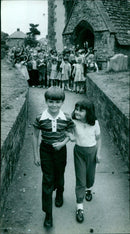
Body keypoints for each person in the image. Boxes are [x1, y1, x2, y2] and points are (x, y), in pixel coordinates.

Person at [33, 87, 74, 228]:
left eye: (57, 102)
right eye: (51, 102)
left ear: (62, 102)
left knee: (59, 175)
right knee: (47, 180)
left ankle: (60, 192)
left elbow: (71, 134)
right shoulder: (40, 118)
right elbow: (35, 135)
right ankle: (48, 214)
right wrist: (35, 155)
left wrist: (62, 143)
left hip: (60, 151)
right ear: (46, 101)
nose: (54, 105)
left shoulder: (67, 118)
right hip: (45, 151)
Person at [71, 100, 101, 223]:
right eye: (76, 109)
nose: (77, 112)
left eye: (81, 110)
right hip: (79, 152)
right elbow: (67, 130)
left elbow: (99, 139)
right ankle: (79, 207)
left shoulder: (95, 124)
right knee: (80, 180)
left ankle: (89, 189)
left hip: (92, 152)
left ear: (88, 112)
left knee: (90, 178)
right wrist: (70, 135)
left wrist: (98, 153)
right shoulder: (73, 122)